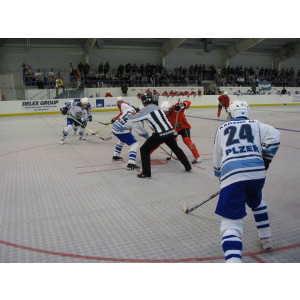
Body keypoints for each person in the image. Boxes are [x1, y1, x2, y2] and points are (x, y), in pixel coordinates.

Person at [213, 100, 281, 263]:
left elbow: (217, 159)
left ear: (230, 113)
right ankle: (266, 238)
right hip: (257, 173)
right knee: (257, 200)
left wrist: (221, 178)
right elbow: (276, 136)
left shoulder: (222, 128)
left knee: (231, 224)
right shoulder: (256, 124)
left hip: (232, 174)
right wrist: (265, 159)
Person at [128, 93, 192, 178]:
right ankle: (188, 167)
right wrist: (139, 112)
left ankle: (146, 173)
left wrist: (130, 113)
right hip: (169, 132)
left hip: (159, 134)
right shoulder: (158, 107)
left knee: (144, 150)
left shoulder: (146, 109)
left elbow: (134, 118)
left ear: (144, 101)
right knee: (176, 149)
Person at [111, 98, 148, 170]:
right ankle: (131, 163)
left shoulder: (130, 108)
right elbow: (141, 132)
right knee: (134, 144)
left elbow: (123, 104)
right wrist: (147, 136)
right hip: (121, 130)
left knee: (122, 140)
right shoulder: (137, 120)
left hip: (114, 127)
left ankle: (116, 156)